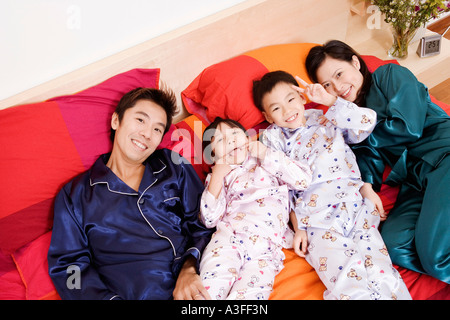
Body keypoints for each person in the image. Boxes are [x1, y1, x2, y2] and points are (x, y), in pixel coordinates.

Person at [252, 70, 411, 300]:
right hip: (317, 218)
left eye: (290, 99)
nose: (287, 111)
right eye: (276, 108)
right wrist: (298, 228)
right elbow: (281, 190)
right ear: (267, 116)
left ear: (302, 96)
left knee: (382, 271)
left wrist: (329, 100)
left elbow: (367, 122)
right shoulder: (272, 140)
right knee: (348, 282)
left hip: (356, 206)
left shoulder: (328, 117)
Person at [305, 40, 450, 284]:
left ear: (355, 62)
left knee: (435, 255)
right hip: (417, 181)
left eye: (339, 74)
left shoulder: (388, 75)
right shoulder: (350, 118)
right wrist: (368, 186)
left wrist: (342, 111)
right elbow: (366, 155)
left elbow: (409, 127)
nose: (338, 87)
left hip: (443, 154)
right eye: (328, 85)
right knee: (394, 244)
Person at [48, 87, 213, 300]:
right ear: (116, 121)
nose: (146, 134)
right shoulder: (75, 195)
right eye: (141, 120)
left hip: (200, 285)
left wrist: (189, 269)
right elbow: (70, 268)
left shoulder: (174, 165)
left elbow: (205, 222)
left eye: (157, 129)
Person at [198, 117, 312, 300]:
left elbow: (303, 180)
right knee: (209, 291)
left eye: (235, 134)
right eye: (220, 140)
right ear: (213, 155)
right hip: (229, 239)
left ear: (247, 138)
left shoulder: (268, 161)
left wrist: (266, 153)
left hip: (266, 249)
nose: (231, 140)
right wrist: (218, 175)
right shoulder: (221, 176)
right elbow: (209, 218)